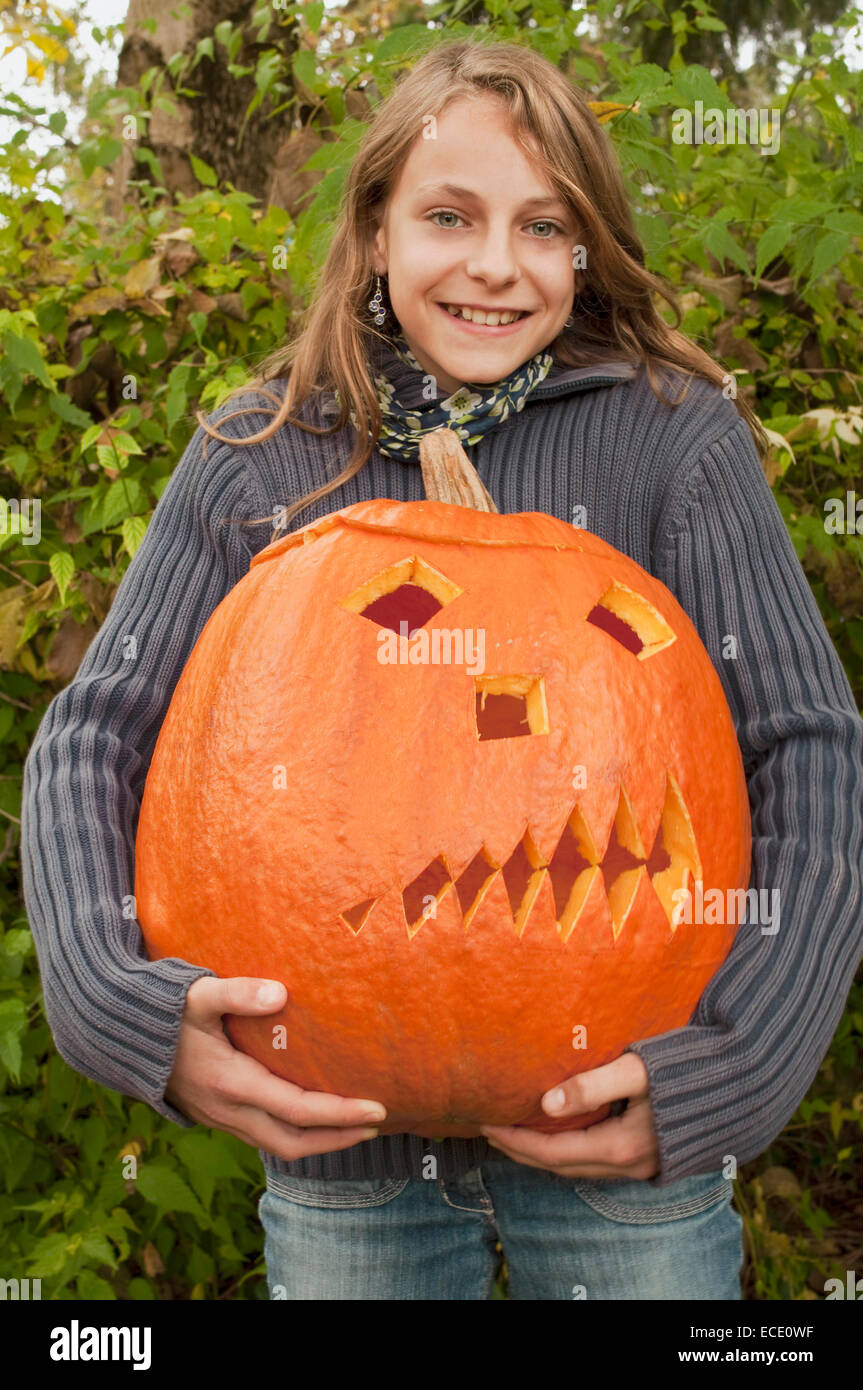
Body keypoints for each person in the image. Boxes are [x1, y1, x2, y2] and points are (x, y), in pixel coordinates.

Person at [21, 38, 863, 1301]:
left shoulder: (671, 441)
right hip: (336, 1134)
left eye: (541, 225)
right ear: (372, 232)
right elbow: (97, 734)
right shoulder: (263, 451)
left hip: (619, 1119)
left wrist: (734, 1066)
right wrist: (125, 1011)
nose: (491, 263)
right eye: (447, 216)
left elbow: (806, 746)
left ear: (585, 249)